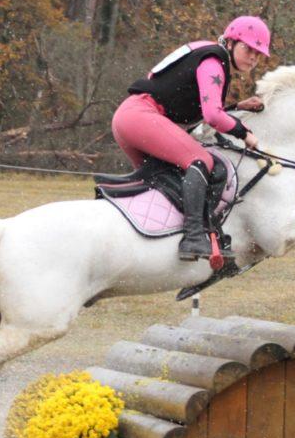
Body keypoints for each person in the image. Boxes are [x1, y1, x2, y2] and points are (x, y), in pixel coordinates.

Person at [112, 15, 271, 261]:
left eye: (258, 54)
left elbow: (193, 108)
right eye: (248, 48)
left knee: (166, 180)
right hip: (142, 116)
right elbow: (212, 116)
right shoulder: (214, 60)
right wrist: (244, 132)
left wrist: (237, 106)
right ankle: (194, 237)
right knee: (201, 161)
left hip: (131, 117)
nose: (253, 57)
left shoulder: (207, 53)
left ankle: (162, 241)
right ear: (230, 42)